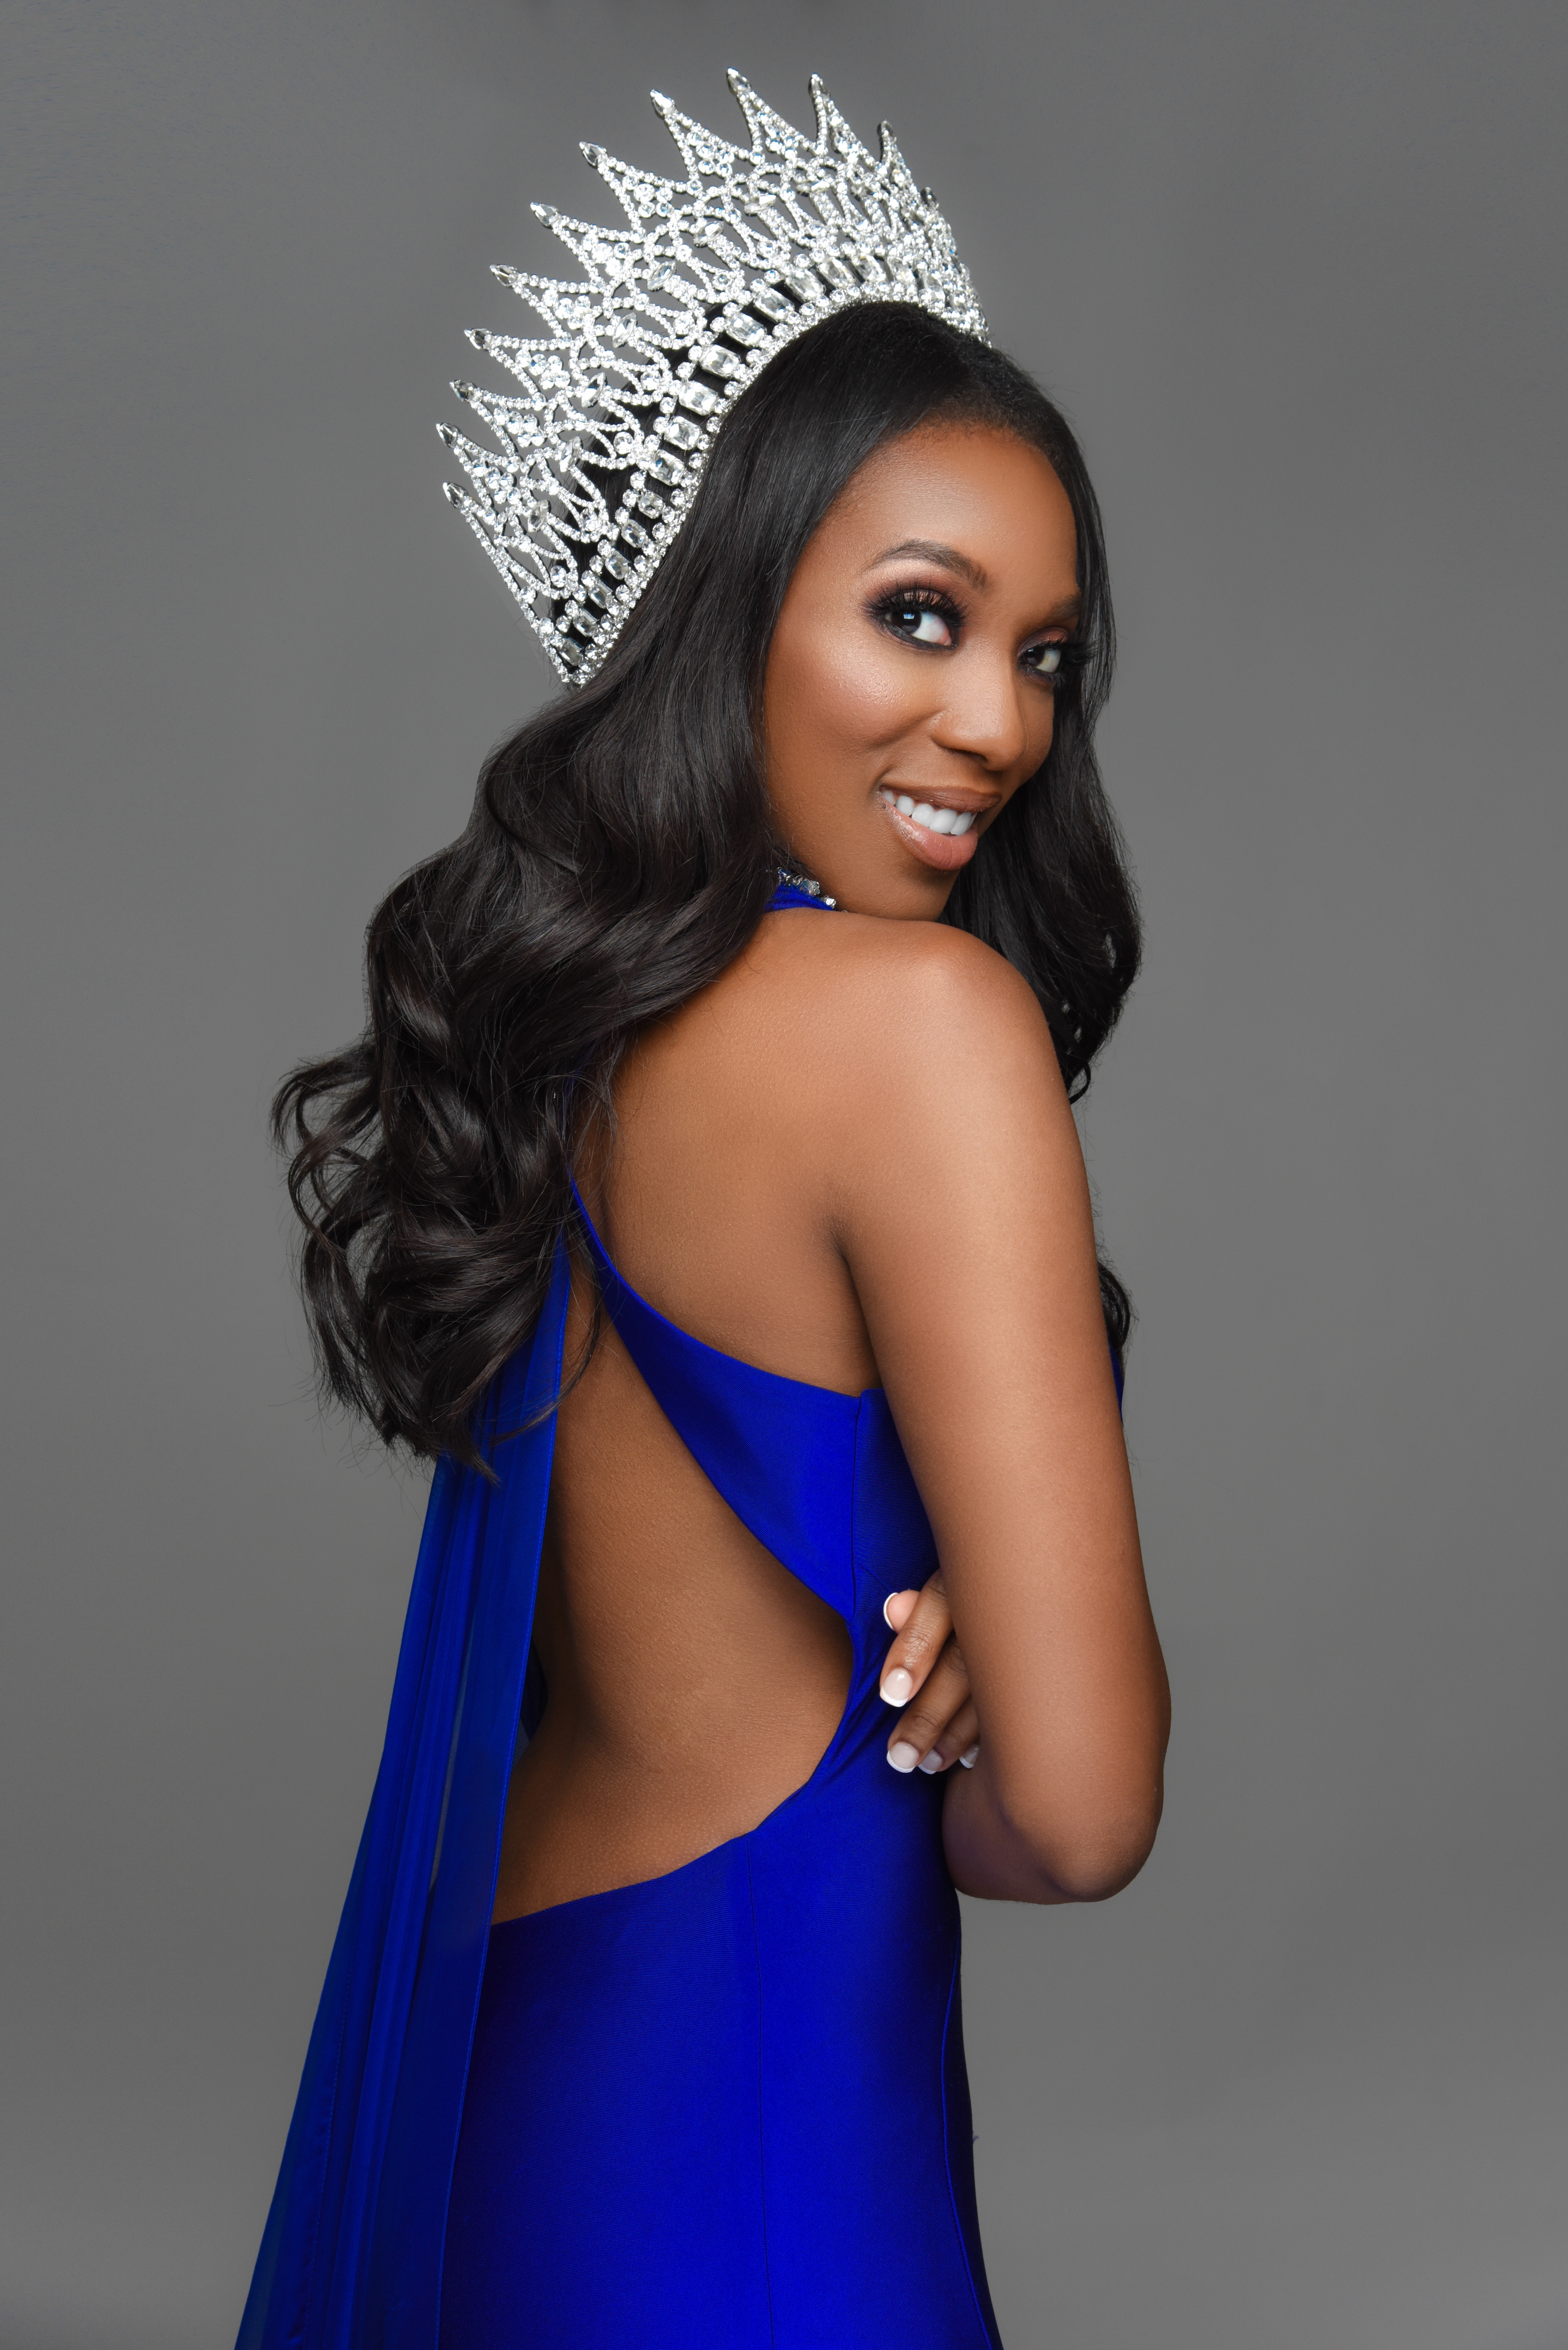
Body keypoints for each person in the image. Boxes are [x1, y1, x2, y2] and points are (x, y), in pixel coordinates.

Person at [239, 71, 1169, 2350]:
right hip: (759, 2156)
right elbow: (1076, 1818)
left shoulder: (568, 1025)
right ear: (727, 609)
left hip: (511, 2093)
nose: (1001, 722)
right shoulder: (921, 1031)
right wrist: (975, 1705)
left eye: (1044, 653)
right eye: (924, 617)